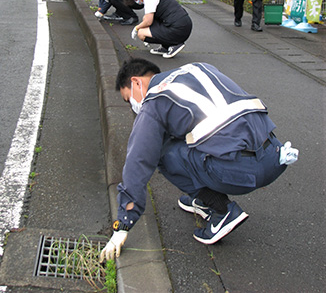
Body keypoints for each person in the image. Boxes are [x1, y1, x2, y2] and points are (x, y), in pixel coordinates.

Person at [99, 58, 298, 262]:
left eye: (128, 98)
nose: (133, 106)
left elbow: (139, 160)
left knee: (163, 153)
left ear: (137, 82)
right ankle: (204, 200)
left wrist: (123, 224)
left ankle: (222, 211)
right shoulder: (198, 68)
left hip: (244, 170)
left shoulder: (155, 100)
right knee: (185, 138)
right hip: (275, 155)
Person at [122, 0, 192, 59]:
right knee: (145, 22)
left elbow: (148, 21)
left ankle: (175, 44)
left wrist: (136, 28)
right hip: (183, 25)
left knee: (141, 33)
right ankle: (166, 46)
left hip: (178, 28)